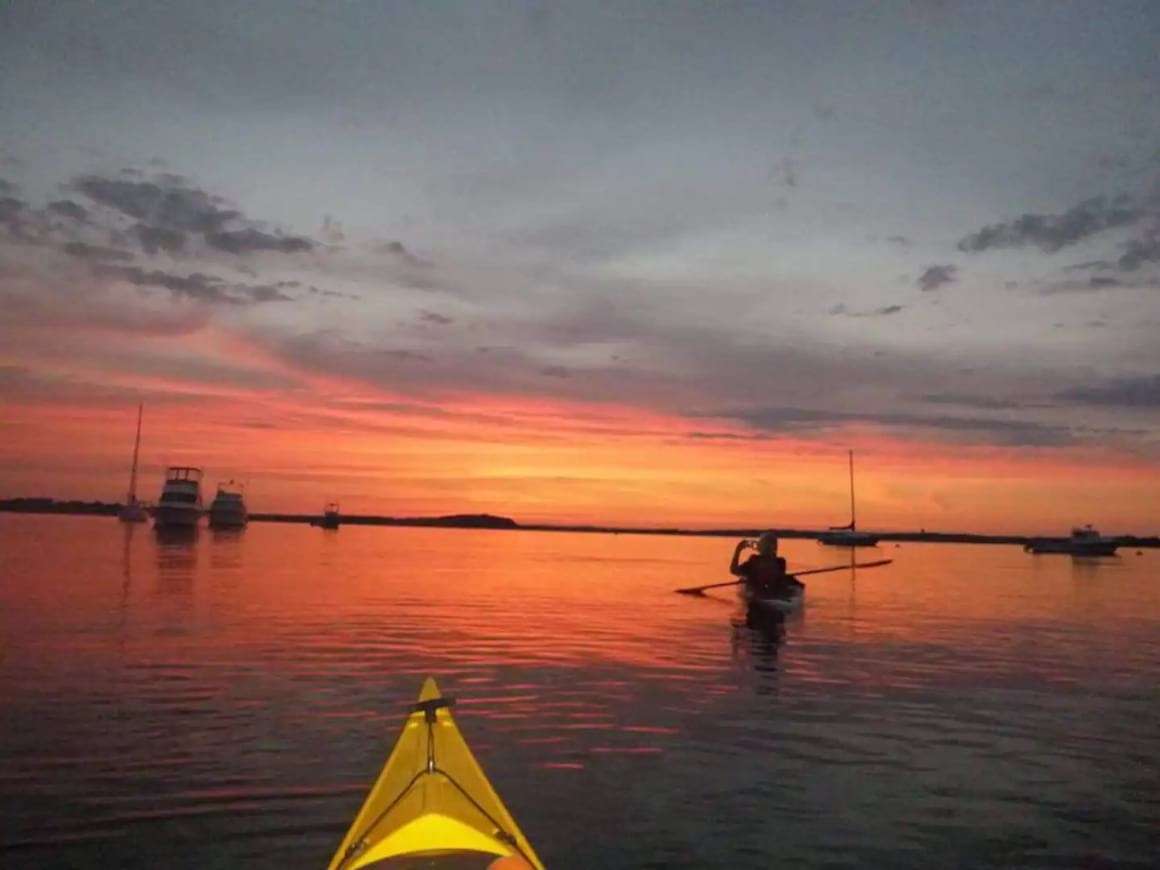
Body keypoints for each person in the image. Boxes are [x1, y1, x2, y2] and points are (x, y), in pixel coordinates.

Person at [730, 531, 799, 599]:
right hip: (774, 594)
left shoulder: (753, 561)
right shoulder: (781, 562)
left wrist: (738, 550)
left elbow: (733, 570)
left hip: (758, 595)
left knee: (743, 579)